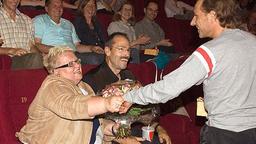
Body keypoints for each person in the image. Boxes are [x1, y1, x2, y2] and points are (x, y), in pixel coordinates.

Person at [120, 0, 256, 143]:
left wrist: (130, 97)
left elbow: (168, 88)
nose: (192, 22)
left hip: (223, 134)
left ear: (212, 15)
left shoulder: (210, 51)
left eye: (196, 16)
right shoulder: (253, 41)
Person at [15, 46, 124, 144]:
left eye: (77, 61)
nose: (77, 65)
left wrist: (112, 129)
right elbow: (72, 106)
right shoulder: (52, 85)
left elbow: (94, 124)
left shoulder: (85, 87)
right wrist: (106, 102)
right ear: (55, 71)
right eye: (70, 64)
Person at [84, 32, 171, 144]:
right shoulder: (92, 79)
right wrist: (122, 138)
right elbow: (92, 122)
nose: (126, 54)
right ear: (107, 51)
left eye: (128, 50)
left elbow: (144, 110)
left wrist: (158, 128)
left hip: (133, 130)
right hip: (110, 137)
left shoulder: (129, 76)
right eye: (121, 49)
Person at [33, 0, 104, 65]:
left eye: (60, 6)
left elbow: (77, 46)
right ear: (46, 8)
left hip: (74, 54)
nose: (58, 8)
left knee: (103, 56)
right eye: (55, 6)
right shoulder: (40, 20)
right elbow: (36, 44)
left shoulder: (68, 24)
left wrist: (91, 48)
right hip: (55, 55)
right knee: (95, 59)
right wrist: (59, 50)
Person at [0, 0, 43, 69]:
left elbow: (31, 47)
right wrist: (12, 50)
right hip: (8, 60)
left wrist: (43, 57)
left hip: (28, 58)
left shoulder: (27, 20)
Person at [134, 0, 178, 67]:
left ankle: (171, 58)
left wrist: (165, 44)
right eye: (150, 10)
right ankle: (172, 58)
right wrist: (158, 43)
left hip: (158, 51)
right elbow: (140, 48)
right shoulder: (138, 26)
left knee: (169, 47)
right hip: (145, 52)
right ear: (145, 10)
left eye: (155, 11)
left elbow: (162, 44)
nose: (153, 13)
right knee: (161, 50)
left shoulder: (158, 27)